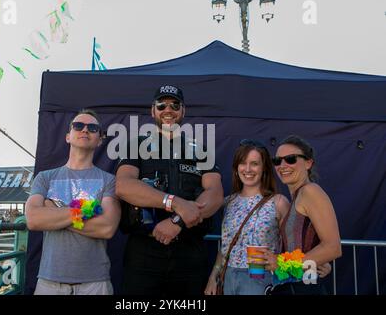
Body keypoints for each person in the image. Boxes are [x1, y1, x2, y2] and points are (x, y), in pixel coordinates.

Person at [115, 84, 224, 295]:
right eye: (162, 104)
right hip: (144, 252)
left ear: (183, 111)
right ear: (152, 110)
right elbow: (124, 186)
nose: (168, 110)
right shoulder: (136, 144)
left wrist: (178, 221)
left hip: (189, 251)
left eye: (175, 105)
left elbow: (215, 194)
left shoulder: (200, 150)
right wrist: (174, 203)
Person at [25, 109, 121, 295]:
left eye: (92, 128)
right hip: (49, 281)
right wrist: (88, 209)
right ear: (68, 136)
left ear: (100, 139)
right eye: (78, 126)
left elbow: (106, 228)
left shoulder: (109, 180)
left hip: (95, 282)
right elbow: (34, 220)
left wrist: (55, 211)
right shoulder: (45, 178)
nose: (85, 130)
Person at [204, 139, 290, 295]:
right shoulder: (228, 202)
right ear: (236, 168)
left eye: (255, 163)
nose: (248, 169)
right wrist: (213, 277)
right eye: (243, 163)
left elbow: (294, 244)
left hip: (261, 278)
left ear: (264, 168)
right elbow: (225, 246)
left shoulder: (278, 202)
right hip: (228, 276)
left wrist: (282, 262)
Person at [260, 135, 342, 295]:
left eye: (290, 159)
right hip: (293, 286)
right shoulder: (298, 197)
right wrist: (316, 261)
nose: (282, 165)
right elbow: (309, 248)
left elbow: (333, 247)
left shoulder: (310, 191)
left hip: (303, 288)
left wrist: (282, 264)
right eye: (277, 160)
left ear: (308, 163)